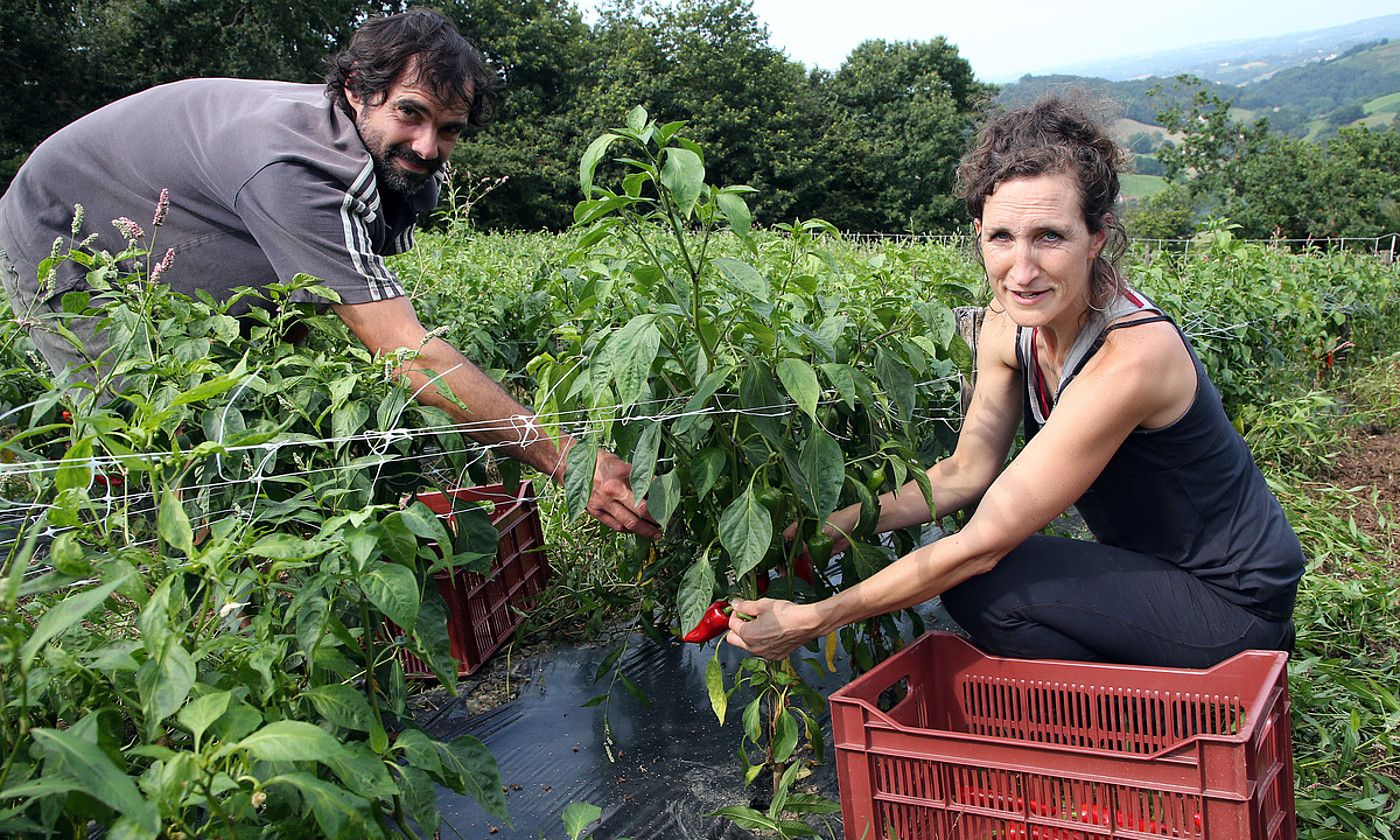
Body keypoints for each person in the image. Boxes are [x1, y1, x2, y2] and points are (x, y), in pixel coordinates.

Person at [0, 9, 658, 538]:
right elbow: (409, 357)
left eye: (449, 128)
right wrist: (566, 460)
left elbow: (340, 296)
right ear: (357, 92)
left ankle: (250, 544)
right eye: (411, 113)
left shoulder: (405, 168)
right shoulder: (297, 173)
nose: (429, 146)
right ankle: (153, 581)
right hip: (69, 228)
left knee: (256, 393)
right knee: (142, 425)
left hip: (188, 227)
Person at [725, 96, 1304, 668]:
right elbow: (964, 472)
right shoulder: (1008, 329)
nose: (1021, 271)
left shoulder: (1131, 356)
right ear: (978, 232)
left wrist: (816, 617)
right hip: (1153, 572)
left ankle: (1145, 721)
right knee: (987, 583)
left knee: (985, 585)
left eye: (1050, 236)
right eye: (1002, 237)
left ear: (1097, 235)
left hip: (1235, 604)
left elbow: (983, 544)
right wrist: (830, 527)